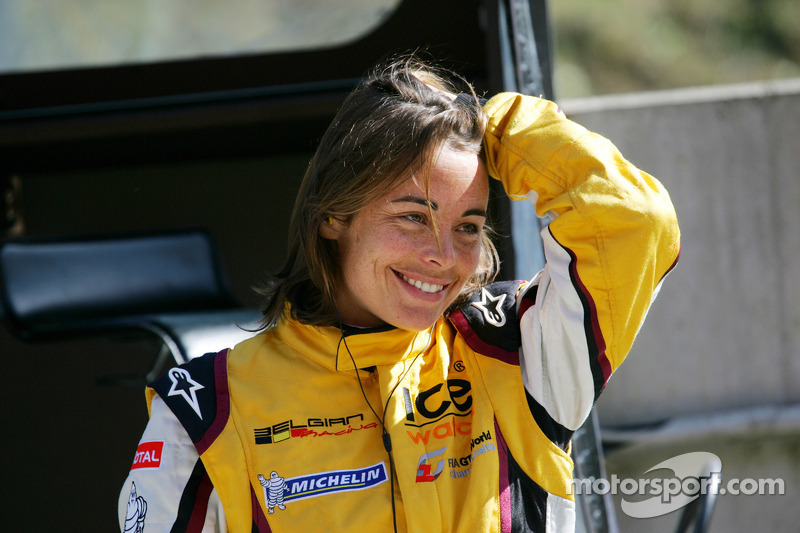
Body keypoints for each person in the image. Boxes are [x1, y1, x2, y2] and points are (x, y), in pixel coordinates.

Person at [118, 56, 680, 532]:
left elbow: (636, 224)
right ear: (334, 214)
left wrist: (501, 126)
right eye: (413, 217)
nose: (443, 257)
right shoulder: (205, 409)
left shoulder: (517, 350)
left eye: (468, 226)